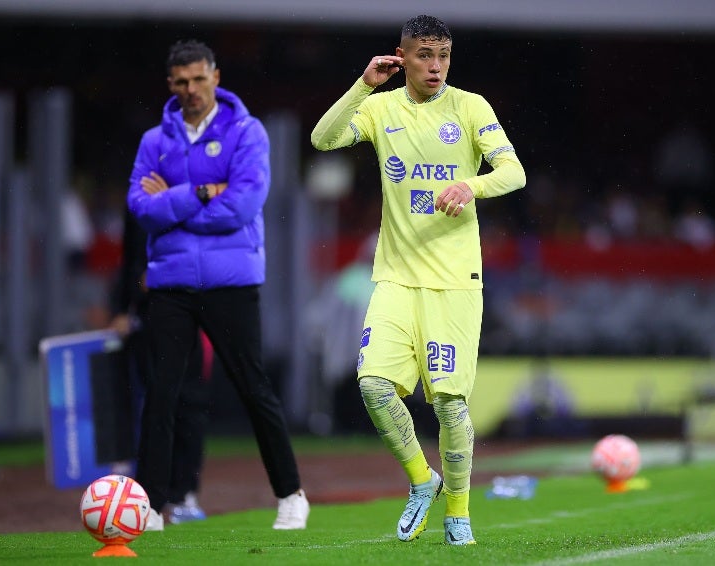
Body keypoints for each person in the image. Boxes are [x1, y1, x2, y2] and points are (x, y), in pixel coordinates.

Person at [311, 15, 526, 545]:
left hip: (454, 280)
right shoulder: (382, 108)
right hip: (395, 278)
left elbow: (513, 171)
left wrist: (470, 186)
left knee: (449, 403)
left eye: (444, 55)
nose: (436, 66)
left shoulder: (470, 107)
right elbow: (323, 138)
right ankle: (420, 480)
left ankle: (459, 512)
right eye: (425, 55)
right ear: (402, 56)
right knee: (373, 386)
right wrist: (364, 84)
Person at [128, 39, 309, 531]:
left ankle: (291, 493)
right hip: (171, 283)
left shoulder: (247, 133)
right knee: (161, 395)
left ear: (216, 77)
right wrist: (206, 191)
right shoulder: (153, 141)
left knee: (254, 388)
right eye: (181, 82)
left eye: (198, 79)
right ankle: (148, 505)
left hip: (230, 282)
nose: (191, 89)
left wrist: (177, 203)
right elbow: (142, 211)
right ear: (171, 85)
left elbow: (244, 206)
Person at [108, 205, 212, 526]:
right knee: (152, 400)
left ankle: (182, 493)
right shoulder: (139, 201)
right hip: (148, 317)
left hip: (190, 312)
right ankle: (151, 494)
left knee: (187, 403)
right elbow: (130, 263)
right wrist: (124, 306)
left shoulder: (198, 199)